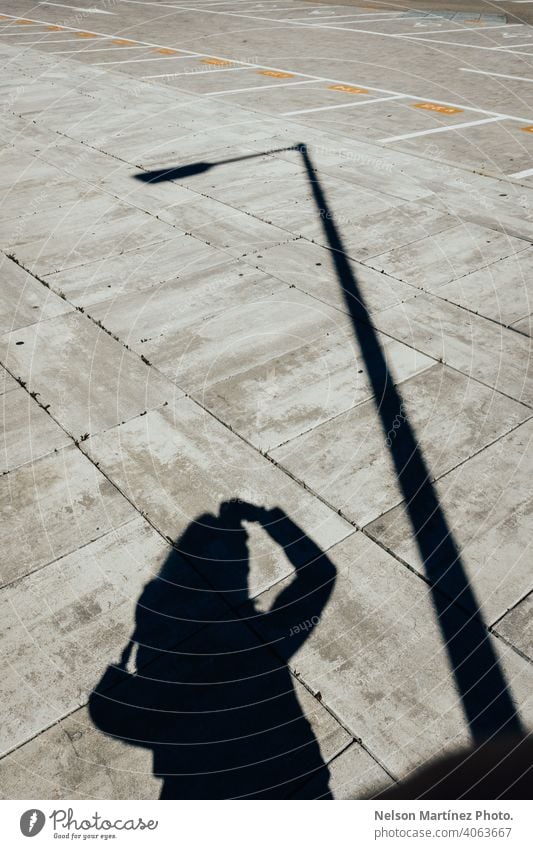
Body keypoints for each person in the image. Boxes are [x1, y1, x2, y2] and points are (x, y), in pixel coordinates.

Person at [89, 501, 337, 799]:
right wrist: (271, 519)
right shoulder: (261, 643)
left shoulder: (162, 676)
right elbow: (320, 574)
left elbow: (109, 714)